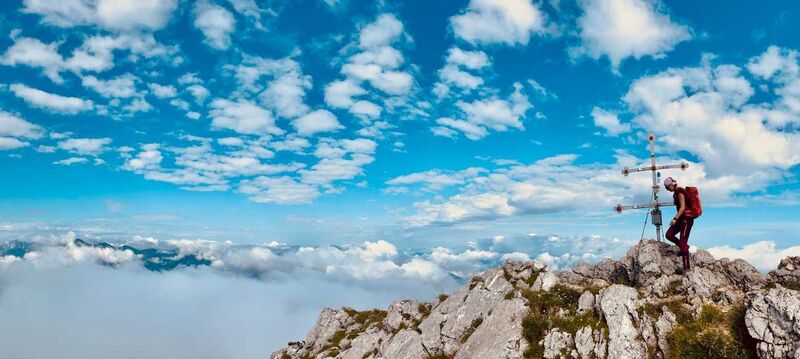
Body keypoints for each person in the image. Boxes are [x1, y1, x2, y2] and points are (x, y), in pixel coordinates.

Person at [664, 177, 692, 272]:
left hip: (686, 221)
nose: (668, 189)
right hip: (680, 220)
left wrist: (675, 219)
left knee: (683, 242)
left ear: (673, 184)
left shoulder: (680, 192)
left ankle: (686, 267)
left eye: (668, 187)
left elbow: (683, 207)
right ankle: (684, 247)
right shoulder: (676, 193)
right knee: (669, 235)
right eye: (666, 188)